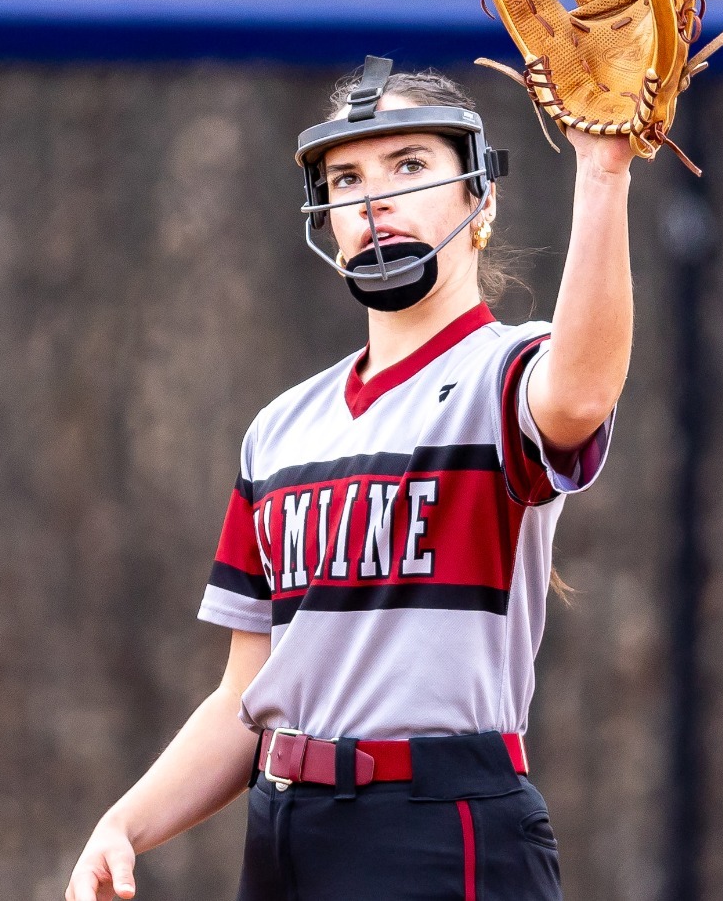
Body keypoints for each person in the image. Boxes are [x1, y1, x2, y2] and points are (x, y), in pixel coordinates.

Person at [66, 56, 637, 901]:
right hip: (287, 826)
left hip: (441, 823)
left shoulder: (505, 373)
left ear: (480, 197)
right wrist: (124, 823)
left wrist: (602, 171)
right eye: (346, 178)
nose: (373, 198)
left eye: (409, 166)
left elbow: (584, 389)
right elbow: (244, 698)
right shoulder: (281, 429)